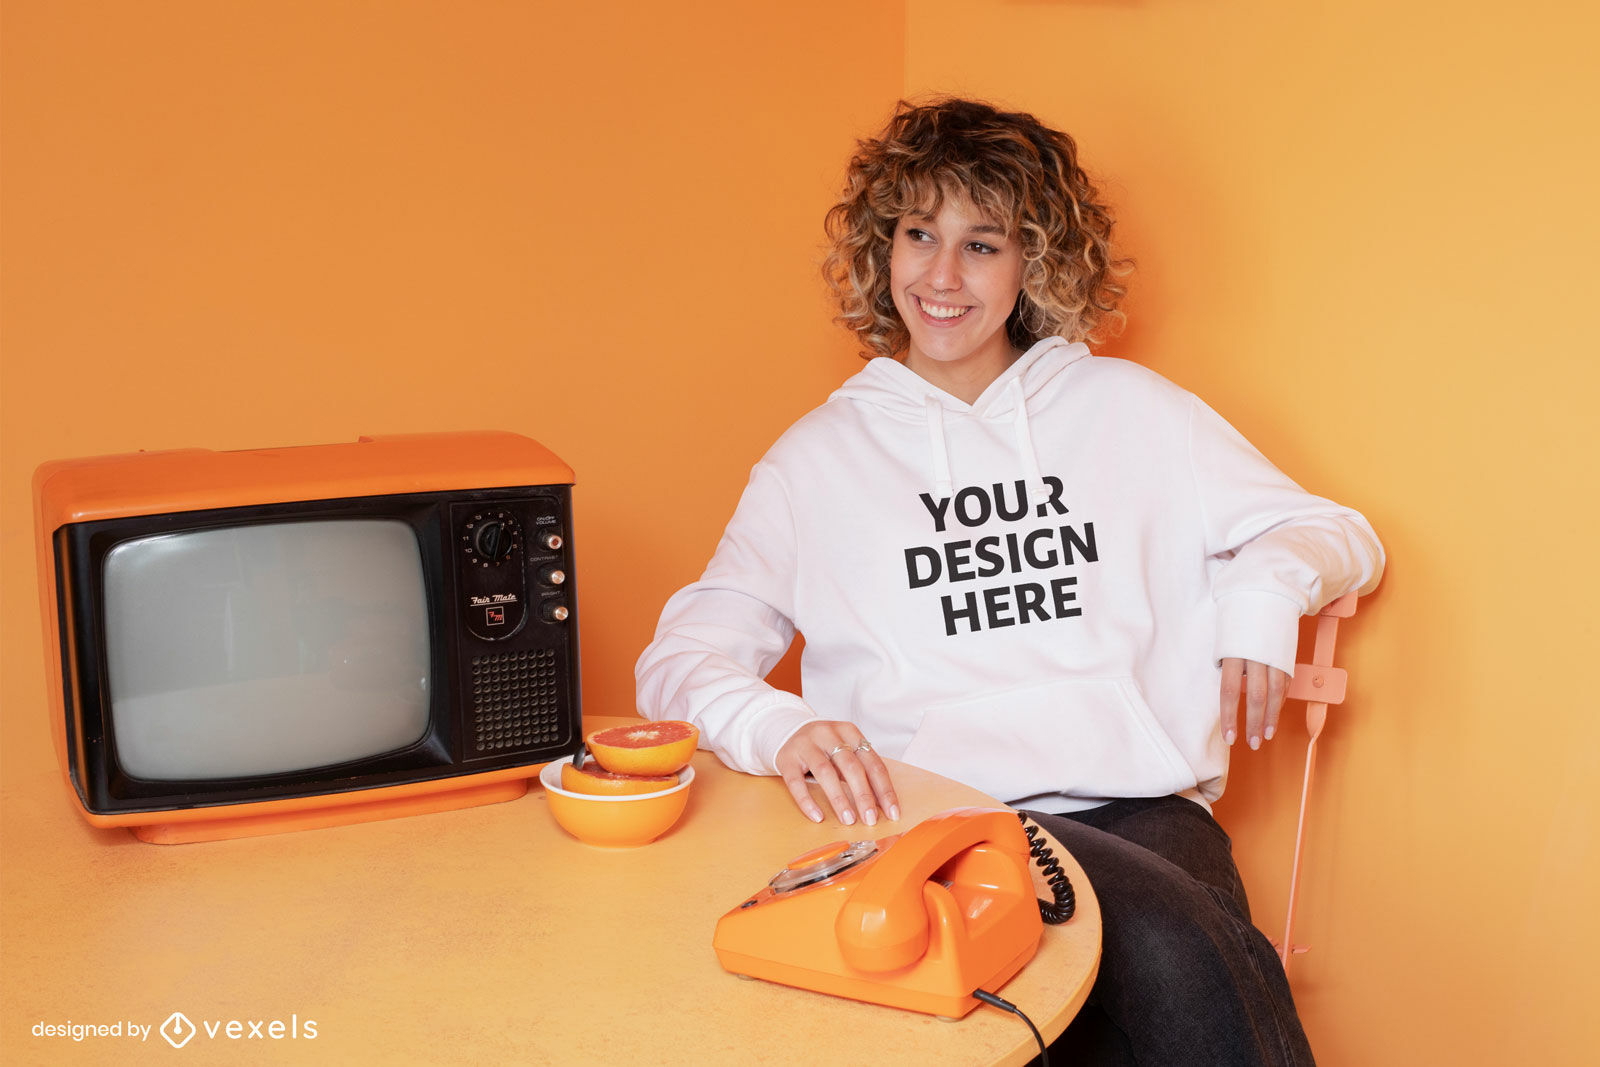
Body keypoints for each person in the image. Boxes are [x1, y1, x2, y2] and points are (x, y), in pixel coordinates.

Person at [635, 97, 1383, 1065]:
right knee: (1151, 966)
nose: (941, 277)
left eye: (981, 244)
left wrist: (1265, 590)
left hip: (1137, 810)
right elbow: (679, 658)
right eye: (918, 235)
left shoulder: (1132, 411)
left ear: (1035, 260)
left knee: (1166, 956)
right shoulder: (814, 461)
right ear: (882, 246)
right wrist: (779, 728)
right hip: (923, 824)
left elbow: (1334, 531)